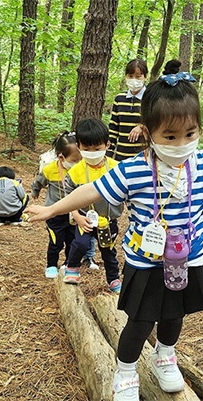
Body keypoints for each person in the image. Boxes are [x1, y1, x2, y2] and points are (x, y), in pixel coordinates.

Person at [26, 59, 203, 400]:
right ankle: (124, 372)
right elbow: (91, 191)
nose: (180, 142)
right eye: (169, 135)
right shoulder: (134, 170)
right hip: (146, 260)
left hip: (190, 256)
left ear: (199, 130)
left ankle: (165, 356)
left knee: (175, 314)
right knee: (140, 320)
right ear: (148, 132)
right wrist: (52, 208)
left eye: (190, 134)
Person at [62, 118, 124, 293]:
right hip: (84, 218)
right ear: (78, 147)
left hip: (108, 221)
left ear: (107, 145)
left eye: (97, 149)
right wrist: (77, 217)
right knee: (80, 244)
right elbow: (69, 197)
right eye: (86, 149)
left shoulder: (116, 168)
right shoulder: (75, 172)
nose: (92, 153)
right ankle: (72, 267)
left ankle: (113, 279)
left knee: (108, 251)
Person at [31, 131, 83, 279]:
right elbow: (39, 181)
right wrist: (35, 191)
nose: (78, 163)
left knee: (72, 241)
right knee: (56, 241)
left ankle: (68, 264)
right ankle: (51, 265)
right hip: (55, 213)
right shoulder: (50, 169)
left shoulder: (80, 170)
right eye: (75, 160)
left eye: (81, 160)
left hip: (74, 213)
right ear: (61, 157)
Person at [107, 59, 148, 161]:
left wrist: (142, 127)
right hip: (121, 157)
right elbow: (113, 129)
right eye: (130, 76)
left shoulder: (151, 98)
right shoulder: (119, 99)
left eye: (138, 76)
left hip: (143, 158)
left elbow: (158, 126)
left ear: (145, 77)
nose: (134, 80)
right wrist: (108, 153)